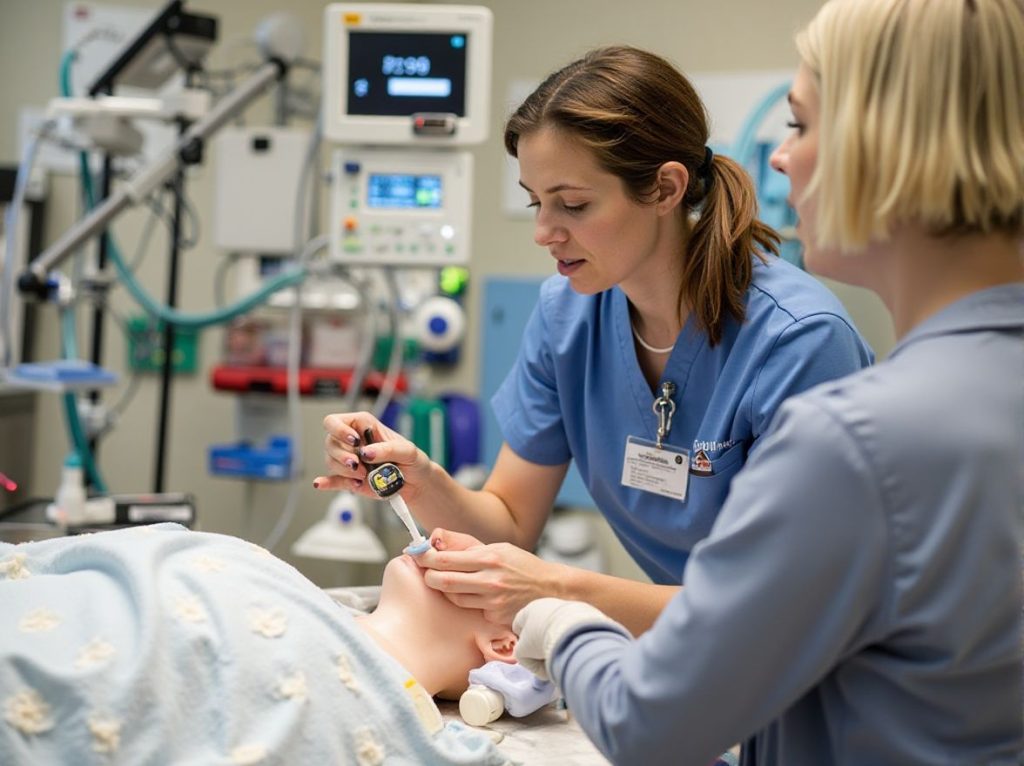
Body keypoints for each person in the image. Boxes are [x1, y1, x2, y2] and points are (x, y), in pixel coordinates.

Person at [511, 0, 1024, 763]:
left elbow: (649, 722)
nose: (779, 159)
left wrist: (559, 616)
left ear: (896, 150)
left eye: (800, 124)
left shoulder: (852, 435)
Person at [317, 46, 873, 634]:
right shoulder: (568, 317)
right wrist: (421, 478)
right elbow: (508, 524)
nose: (543, 232)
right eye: (536, 202)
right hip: (698, 650)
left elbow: (785, 609)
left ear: (665, 189)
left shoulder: (799, 343)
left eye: (573, 204)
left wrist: (557, 589)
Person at [0, 524, 513, 764]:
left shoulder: (367, 711)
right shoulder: (312, 605)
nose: (443, 537)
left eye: (482, 562)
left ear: (503, 645)